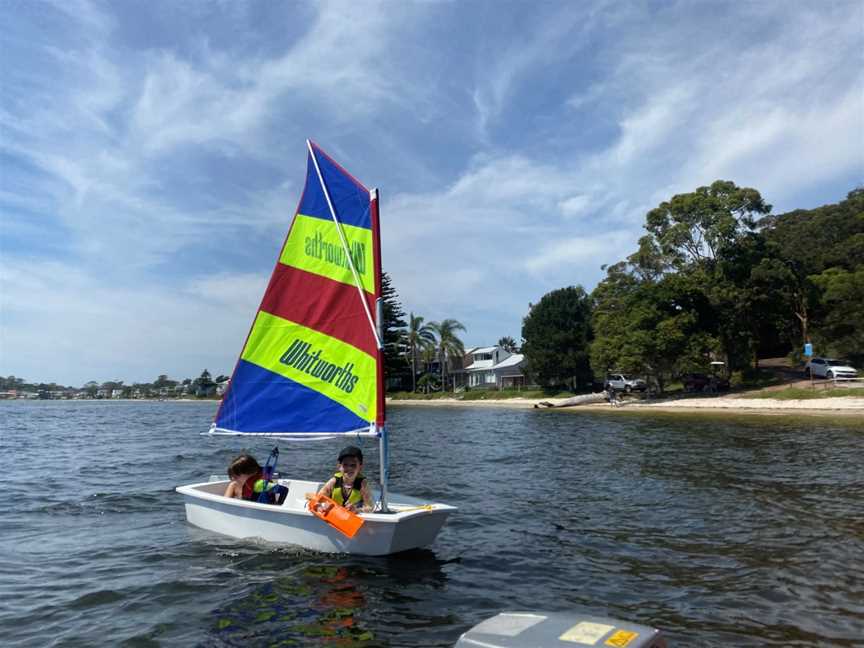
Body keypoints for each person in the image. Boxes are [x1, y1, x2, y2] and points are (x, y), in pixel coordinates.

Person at [314, 445, 374, 513]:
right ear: (339, 467)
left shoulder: (363, 484)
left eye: (353, 465)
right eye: (345, 465)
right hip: (334, 516)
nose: (349, 468)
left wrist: (357, 510)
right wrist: (320, 506)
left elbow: (370, 507)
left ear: (360, 467)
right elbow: (317, 499)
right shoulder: (333, 482)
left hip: (351, 519)